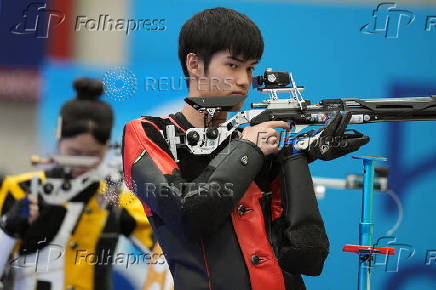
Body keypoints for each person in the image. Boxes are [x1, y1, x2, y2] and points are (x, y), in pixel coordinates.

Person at [122, 7, 369, 290]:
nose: (244, 80)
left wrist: (296, 156)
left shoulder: (260, 138)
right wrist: (249, 147)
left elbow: (308, 257)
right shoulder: (148, 132)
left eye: (250, 68)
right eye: (232, 65)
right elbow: (188, 215)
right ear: (194, 64)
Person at [0, 78, 153, 290]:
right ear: (58, 136)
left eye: (92, 155)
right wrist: (7, 230)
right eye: (74, 153)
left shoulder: (114, 196)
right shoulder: (18, 189)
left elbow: (163, 248)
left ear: (107, 148)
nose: (82, 163)